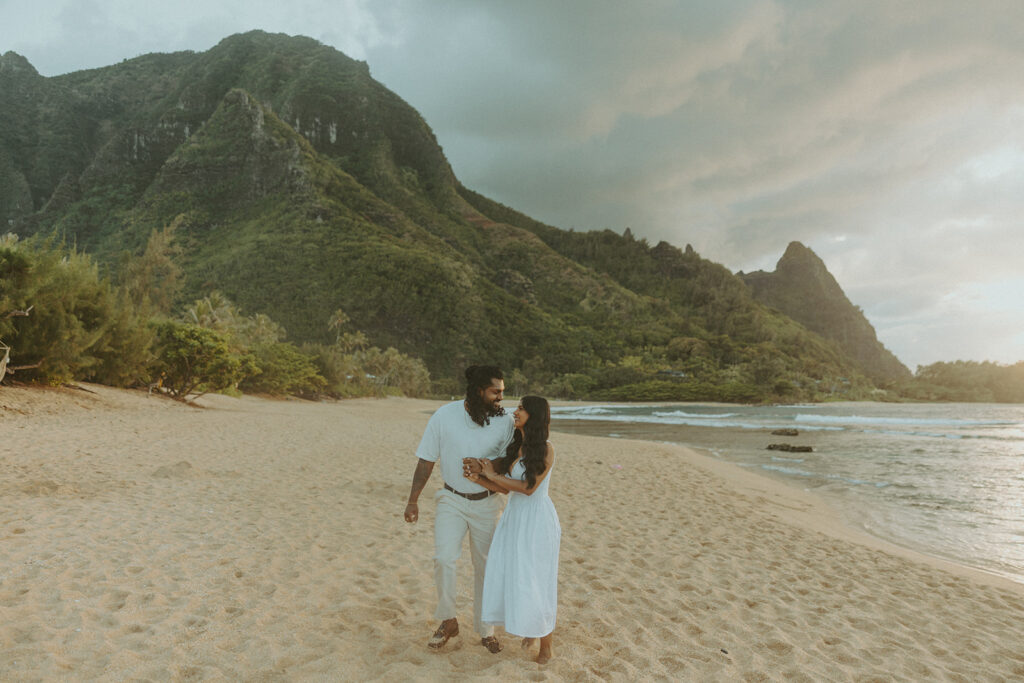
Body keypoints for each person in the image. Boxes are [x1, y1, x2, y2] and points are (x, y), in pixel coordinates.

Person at [403, 365, 515, 653]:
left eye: (502, 392)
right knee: (443, 559)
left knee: (486, 567)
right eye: (495, 392)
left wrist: (486, 468)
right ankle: (448, 620)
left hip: (488, 503)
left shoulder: (505, 422)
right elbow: (426, 460)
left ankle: (486, 630)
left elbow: (509, 463)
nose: (501, 398)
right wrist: (413, 499)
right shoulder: (444, 415)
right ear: (479, 391)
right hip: (451, 499)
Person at [467, 395, 560, 665]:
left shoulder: (546, 449)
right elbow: (508, 489)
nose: (515, 412)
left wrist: (493, 475)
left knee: (537, 579)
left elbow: (529, 489)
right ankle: (530, 628)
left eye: (521, 408)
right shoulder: (517, 446)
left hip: (537, 520)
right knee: (517, 575)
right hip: (515, 518)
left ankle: (546, 645)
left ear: (535, 415)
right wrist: (481, 479)